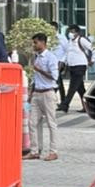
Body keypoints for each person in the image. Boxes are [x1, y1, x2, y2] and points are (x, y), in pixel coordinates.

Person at [27, 33, 59, 161]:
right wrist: (31, 92)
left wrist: (39, 70)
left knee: (51, 123)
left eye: (36, 42)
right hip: (37, 93)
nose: (34, 45)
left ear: (43, 42)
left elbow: (54, 76)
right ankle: (34, 150)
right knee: (32, 123)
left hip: (48, 93)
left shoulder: (51, 57)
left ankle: (53, 151)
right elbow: (35, 78)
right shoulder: (36, 57)